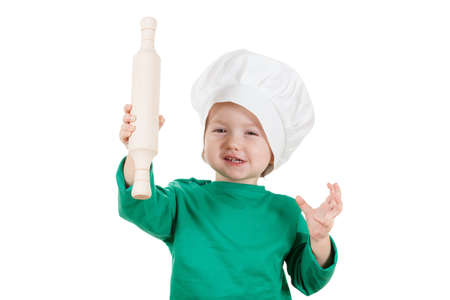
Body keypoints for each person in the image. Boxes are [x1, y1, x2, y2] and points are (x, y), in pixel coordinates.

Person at [117, 49, 343, 299]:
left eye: (251, 133)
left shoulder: (285, 211)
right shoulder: (184, 200)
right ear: (204, 140)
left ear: (274, 151)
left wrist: (319, 239)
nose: (234, 142)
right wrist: (138, 152)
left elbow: (308, 281)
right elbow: (138, 204)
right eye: (221, 130)